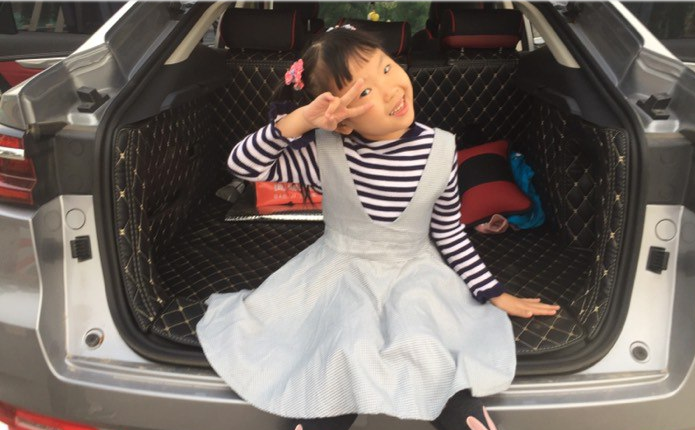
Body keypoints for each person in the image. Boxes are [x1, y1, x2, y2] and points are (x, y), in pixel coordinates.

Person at [196, 26, 560, 430]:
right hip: (338, 275)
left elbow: (449, 233)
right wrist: (299, 121)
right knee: (342, 350)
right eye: (364, 91)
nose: (389, 90)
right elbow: (242, 166)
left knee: (430, 350)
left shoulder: (441, 149)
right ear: (338, 114)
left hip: (417, 276)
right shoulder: (322, 151)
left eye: (386, 68)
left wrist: (492, 292)